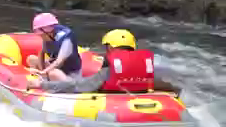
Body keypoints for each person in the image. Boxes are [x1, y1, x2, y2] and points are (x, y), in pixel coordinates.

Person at [41, 29, 181, 94]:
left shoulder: (108, 72)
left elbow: (78, 86)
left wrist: (42, 84)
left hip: (111, 111)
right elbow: (166, 85)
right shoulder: (147, 71)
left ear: (111, 47)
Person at [25, 12, 83, 83]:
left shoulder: (67, 39)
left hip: (70, 74)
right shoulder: (49, 35)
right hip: (55, 67)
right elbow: (42, 52)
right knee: (31, 59)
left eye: (41, 35)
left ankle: (72, 86)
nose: (41, 37)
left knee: (54, 74)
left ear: (48, 32)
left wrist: (43, 72)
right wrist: (42, 70)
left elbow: (59, 62)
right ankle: (44, 79)